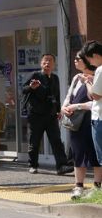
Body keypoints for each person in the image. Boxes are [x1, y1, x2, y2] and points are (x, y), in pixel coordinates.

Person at [22, 53, 72, 174]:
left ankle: (62, 166)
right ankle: (33, 165)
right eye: (45, 61)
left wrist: (59, 110)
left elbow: (57, 95)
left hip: (51, 115)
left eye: (50, 61)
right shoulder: (35, 75)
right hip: (36, 115)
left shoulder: (55, 78)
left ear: (54, 64)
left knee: (56, 141)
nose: (47, 63)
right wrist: (31, 87)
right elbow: (23, 89)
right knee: (34, 142)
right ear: (41, 63)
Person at [62, 51, 102, 199]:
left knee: (94, 153)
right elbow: (68, 96)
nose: (75, 61)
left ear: (86, 60)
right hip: (75, 122)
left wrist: (76, 106)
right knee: (77, 153)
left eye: (78, 59)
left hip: (91, 119)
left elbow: (96, 101)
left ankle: (97, 185)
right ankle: (78, 186)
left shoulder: (95, 76)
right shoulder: (76, 78)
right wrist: (64, 107)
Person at [84, 41, 102, 171]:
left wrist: (88, 83)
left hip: (99, 118)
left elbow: (95, 95)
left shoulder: (100, 69)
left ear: (95, 55)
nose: (89, 62)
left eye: (89, 58)